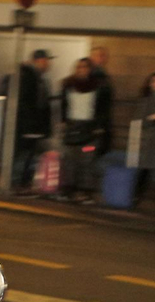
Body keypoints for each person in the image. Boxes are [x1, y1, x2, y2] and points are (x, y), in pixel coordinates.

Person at [57, 57, 113, 202]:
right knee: (69, 159)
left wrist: (99, 127)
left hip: (89, 130)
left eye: (85, 67)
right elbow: (64, 104)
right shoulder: (68, 85)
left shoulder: (99, 87)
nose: (82, 70)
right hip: (72, 128)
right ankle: (68, 189)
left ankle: (84, 191)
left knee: (86, 159)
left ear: (90, 70)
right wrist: (63, 121)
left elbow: (103, 109)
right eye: (79, 67)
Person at [9, 49, 55, 193]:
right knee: (24, 154)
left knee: (28, 155)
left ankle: (22, 183)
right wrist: (30, 125)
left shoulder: (37, 77)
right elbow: (28, 103)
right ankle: (17, 184)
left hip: (32, 126)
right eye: (46, 60)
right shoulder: (29, 77)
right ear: (39, 61)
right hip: (28, 126)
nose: (48, 64)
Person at [137, 72, 155, 210]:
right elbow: (142, 121)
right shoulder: (147, 100)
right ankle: (136, 197)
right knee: (145, 170)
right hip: (152, 141)